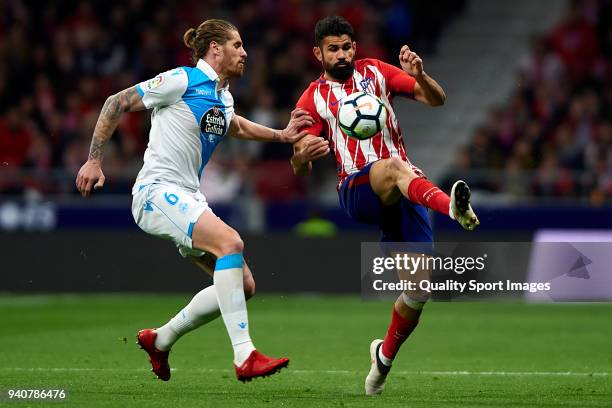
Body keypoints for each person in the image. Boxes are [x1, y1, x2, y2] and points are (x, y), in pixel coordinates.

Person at [76, 19, 313, 382]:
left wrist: (282, 136)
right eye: (237, 45)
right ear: (215, 49)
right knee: (231, 241)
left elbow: (235, 126)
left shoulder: (223, 95)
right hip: (155, 192)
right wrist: (94, 160)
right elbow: (115, 102)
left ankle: (161, 339)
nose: (244, 52)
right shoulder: (182, 79)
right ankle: (244, 354)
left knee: (243, 285)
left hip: (187, 196)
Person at [290, 16, 479, 395]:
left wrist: (421, 75)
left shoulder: (376, 71)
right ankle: (452, 209)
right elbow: (299, 162)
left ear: (354, 48)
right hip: (357, 189)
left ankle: (382, 360)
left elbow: (436, 100)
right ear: (318, 53)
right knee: (395, 166)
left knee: (419, 290)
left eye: (346, 47)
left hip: (403, 189)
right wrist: (302, 156)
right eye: (333, 49)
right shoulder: (311, 98)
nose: (341, 54)